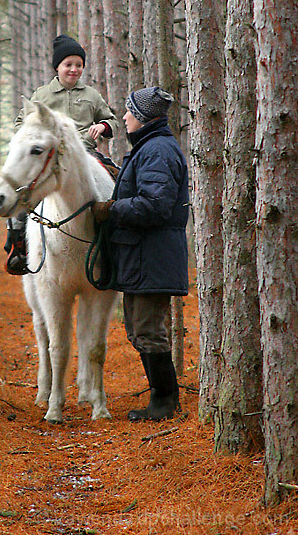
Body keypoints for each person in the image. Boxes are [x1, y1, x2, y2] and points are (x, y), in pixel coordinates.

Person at [91, 86, 189, 421]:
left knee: (147, 331)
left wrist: (113, 209)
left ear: (145, 117)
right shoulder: (150, 148)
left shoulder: (157, 150)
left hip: (153, 257)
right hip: (145, 257)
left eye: (130, 111)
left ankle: (164, 403)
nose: (124, 116)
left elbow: (155, 206)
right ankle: (162, 400)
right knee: (138, 329)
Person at [5, 34, 119, 275]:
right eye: (69, 64)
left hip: (87, 155)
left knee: (119, 184)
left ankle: (112, 251)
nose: (74, 69)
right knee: (24, 197)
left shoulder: (91, 95)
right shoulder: (42, 96)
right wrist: (32, 138)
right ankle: (19, 249)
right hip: (50, 160)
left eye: (79, 65)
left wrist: (104, 126)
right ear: (57, 67)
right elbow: (20, 123)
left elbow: (111, 120)